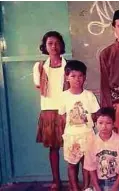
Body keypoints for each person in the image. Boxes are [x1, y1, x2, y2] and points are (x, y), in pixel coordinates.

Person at [33, 31, 68, 191]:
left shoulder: (69, 66)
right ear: (45, 46)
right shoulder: (39, 67)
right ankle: (56, 180)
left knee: (74, 145)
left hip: (67, 110)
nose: (54, 46)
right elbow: (39, 86)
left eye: (56, 43)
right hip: (48, 110)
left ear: (61, 45)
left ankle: (76, 181)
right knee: (53, 148)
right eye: (50, 43)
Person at [58, 60, 100, 191]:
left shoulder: (89, 96)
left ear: (85, 78)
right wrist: (63, 136)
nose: (77, 79)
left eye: (80, 76)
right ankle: (74, 188)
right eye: (73, 76)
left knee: (87, 165)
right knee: (72, 164)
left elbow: (95, 115)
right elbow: (62, 117)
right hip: (71, 136)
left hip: (88, 135)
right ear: (67, 77)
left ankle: (86, 187)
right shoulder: (63, 96)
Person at [84, 107, 119, 191]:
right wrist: (97, 187)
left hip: (116, 181)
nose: (104, 127)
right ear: (95, 123)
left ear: (113, 124)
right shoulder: (91, 142)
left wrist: (115, 187)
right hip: (98, 181)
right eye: (100, 123)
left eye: (108, 123)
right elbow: (91, 168)